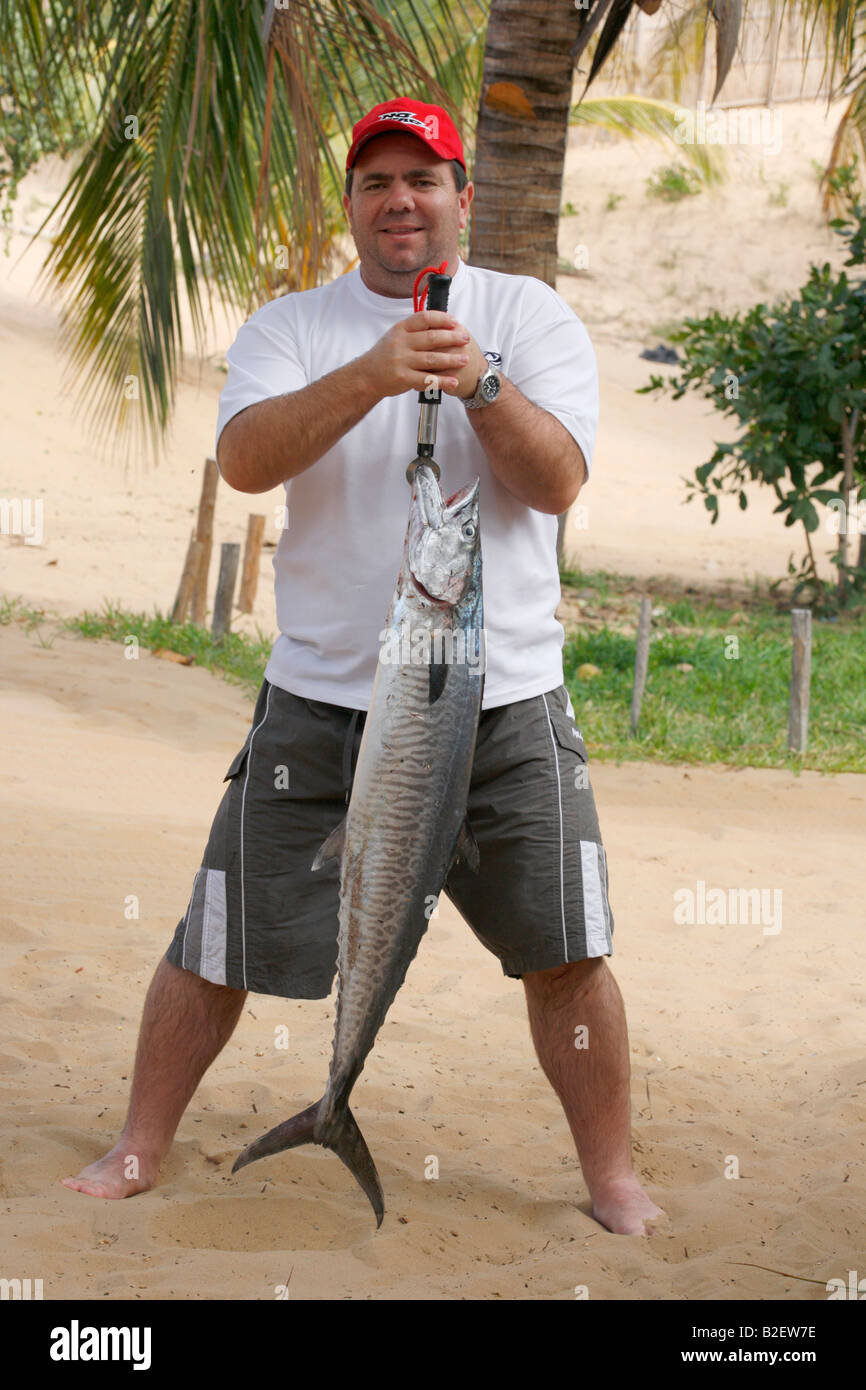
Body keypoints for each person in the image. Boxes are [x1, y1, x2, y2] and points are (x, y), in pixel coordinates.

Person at [63, 98, 666, 1236]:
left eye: (423, 179)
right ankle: (140, 1142)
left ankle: (612, 1178)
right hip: (317, 702)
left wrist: (480, 383)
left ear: (462, 197)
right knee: (216, 934)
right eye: (376, 181)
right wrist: (374, 373)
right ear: (350, 203)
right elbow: (243, 460)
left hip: (503, 705)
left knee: (567, 951)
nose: (400, 201)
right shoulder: (291, 326)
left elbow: (556, 484)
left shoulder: (529, 314)